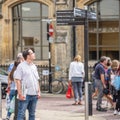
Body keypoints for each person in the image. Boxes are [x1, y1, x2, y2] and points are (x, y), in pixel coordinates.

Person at [14, 49, 41, 120]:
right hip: (25, 94)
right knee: (21, 113)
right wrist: (20, 93)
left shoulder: (34, 66)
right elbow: (18, 80)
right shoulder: (21, 66)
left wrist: (39, 91)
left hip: (34, 94)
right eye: (32, 53)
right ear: (28, 56)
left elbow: (37, 79)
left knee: (32, 114)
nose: (34, 54)